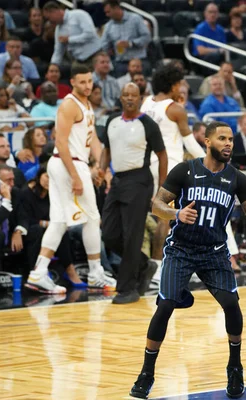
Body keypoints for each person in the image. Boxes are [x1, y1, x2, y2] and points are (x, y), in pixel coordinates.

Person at [129, 121, 246, 399]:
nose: (228, 143)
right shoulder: (185, 170)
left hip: (214, 251)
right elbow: (156, 204)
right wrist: (176, 214)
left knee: (231, 304)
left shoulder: (237, 178)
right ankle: (146, 372)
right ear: (207, 142)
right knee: (165, 305)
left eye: (231, 139)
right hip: (181, 249)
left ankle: (234, 366)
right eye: (222, 138)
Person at [25, 64, 115, 294]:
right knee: (92, 218)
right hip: (68, 164)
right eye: (82, 82)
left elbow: (93, 140)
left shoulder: (87, 105)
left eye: (90, 81)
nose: (87, 85)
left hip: (75, 163)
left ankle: (38, 273)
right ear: (72, 82)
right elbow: (61, 143)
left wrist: (102, 167)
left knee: (59, 221)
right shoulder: (69, 105)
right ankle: (95, 273)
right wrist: (76, 175)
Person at [100, 83, 167, 304]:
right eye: (126, 95)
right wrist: (101, 169)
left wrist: (162, 189)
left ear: (140, 98)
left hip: (139, 180)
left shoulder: (147, 124)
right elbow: (106, 150)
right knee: (109, 233)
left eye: (134, 95)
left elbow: (162, 154)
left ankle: (127, 289)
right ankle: (143, 264)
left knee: (132, 236)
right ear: (120, 98)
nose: (129, 98)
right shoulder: (112, 121)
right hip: (117, 180)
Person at [140, 63, 206, 286]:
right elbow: (190, 144)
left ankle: (181, 265)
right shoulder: (175, 109)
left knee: (175, 217)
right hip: (171, 166)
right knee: (168, 218)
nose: (183, 86)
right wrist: (212, 161)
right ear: (173, 84)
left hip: (148, 163)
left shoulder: (146, 102)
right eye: (181, 82)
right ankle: (159, 269)